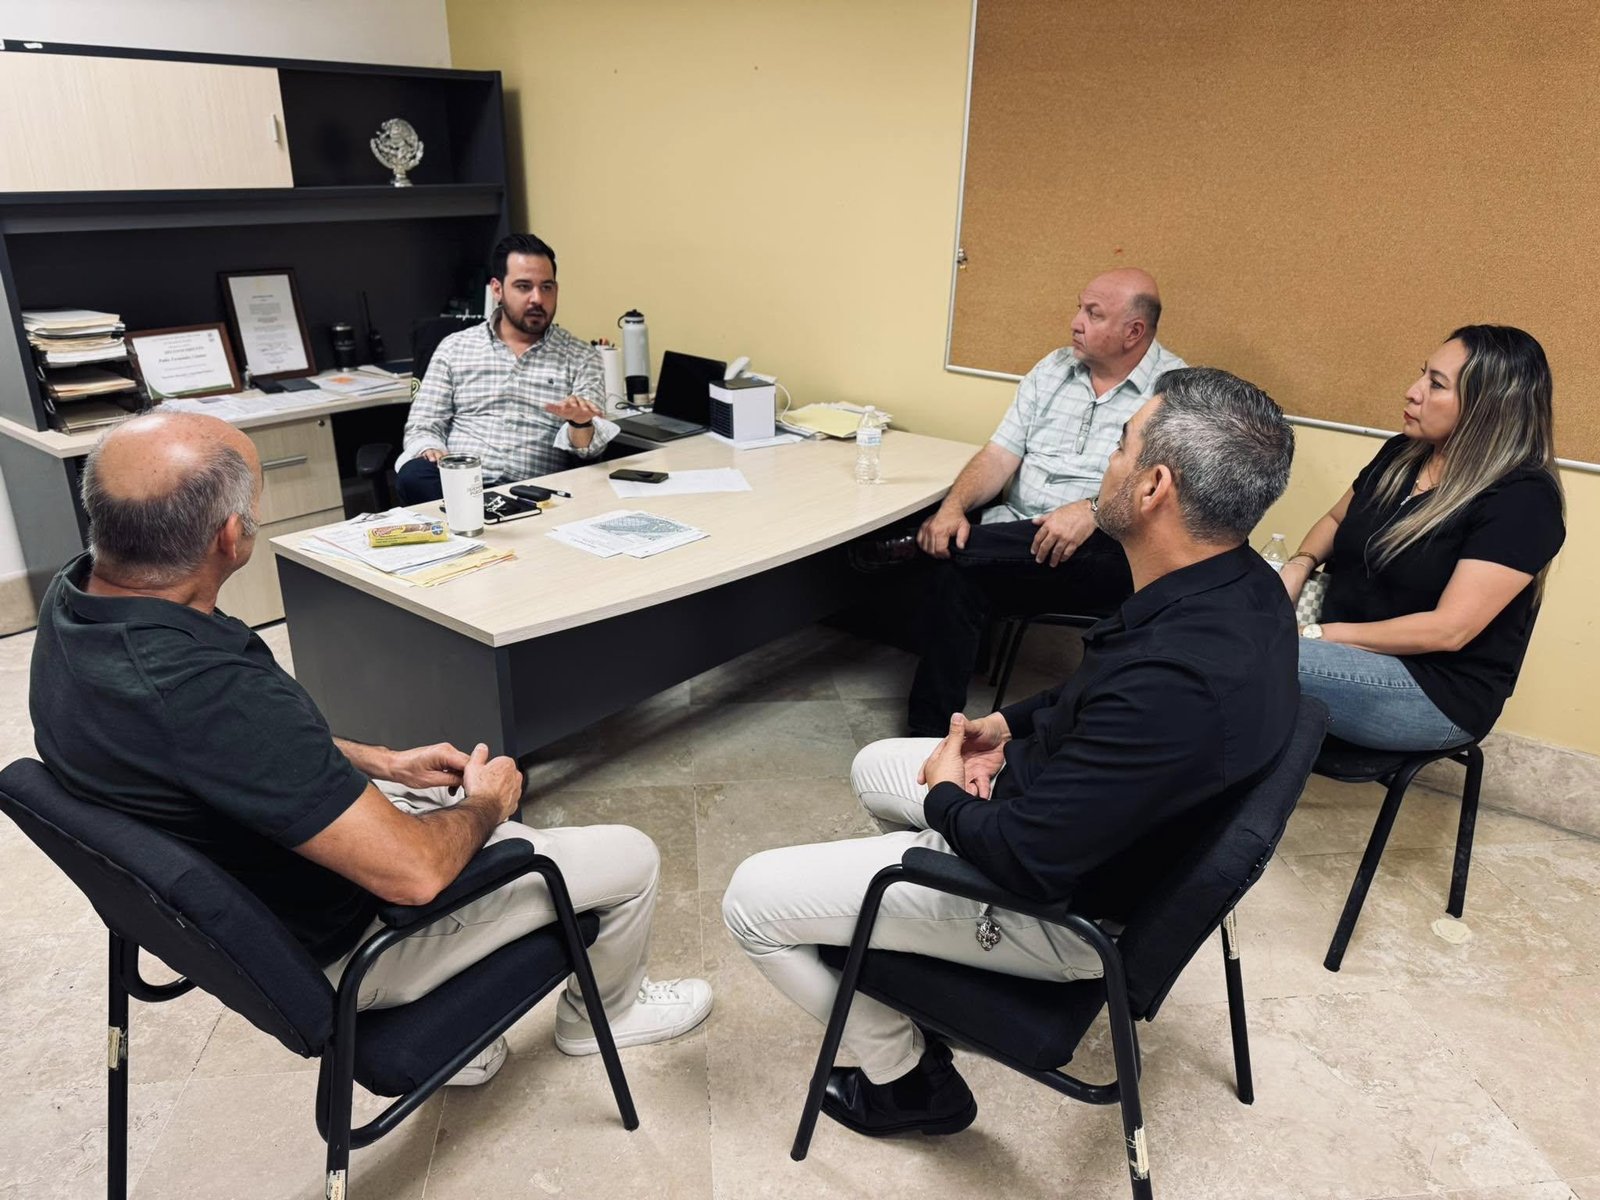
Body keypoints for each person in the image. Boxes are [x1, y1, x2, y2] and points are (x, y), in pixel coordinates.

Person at [30, 412, 711, 1083]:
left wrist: (383, 762)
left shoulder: (80, 602)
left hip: (256, 883)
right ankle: (604, 1017)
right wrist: (487, 804)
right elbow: (414, 875)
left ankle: (470, 1040)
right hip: (348, 945)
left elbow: (230, 749)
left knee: (450, 815)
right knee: (630, 857)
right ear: (231, 538)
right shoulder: (203, 691)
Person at [724, 367, 1297, 1139]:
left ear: (1155, 486)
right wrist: (1007, 729)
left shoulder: (1178, 684)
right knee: (874, 764)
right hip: (1071, 820)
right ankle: (908, 946)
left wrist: (944, 799)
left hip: (1056, 909)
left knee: (751, 901)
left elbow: (1030, 858)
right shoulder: (1240, 587)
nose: (1108, 464)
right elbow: (1096, 699)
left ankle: (907, 1081)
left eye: (1122, 445)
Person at [903, 267, 1186, 735]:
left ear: (1133, 332)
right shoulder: (1053, 368)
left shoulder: (1174, 392)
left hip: (1099, 550)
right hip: (1018, 540)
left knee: (955, 554)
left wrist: (1093, 510)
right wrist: (952, 508)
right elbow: (999, 455)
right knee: (957, 574)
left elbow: (1162, 492)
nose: (1075, 322)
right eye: (1079, 308)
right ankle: (928, 738)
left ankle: (910, 547)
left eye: (1093, 314)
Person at [1280, 324, 1565, 751]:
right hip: (1341, 647)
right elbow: (1337, 520)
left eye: (1436, 384)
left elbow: (1449, 630)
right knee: (1218, 613)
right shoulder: (1402, 453)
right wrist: (1298, 565)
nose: (1412, 392)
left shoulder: (1523, 499)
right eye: (1422, 375)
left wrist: (1319, 634)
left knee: (1250, 653)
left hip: (1433, 690)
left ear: (1487, 407)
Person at [396, 232, 616, 505]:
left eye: (546, 287)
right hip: (459, 486)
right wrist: (431, 449)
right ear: (497, 289)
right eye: (524, 286)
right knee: (414, 475)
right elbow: (423, 425)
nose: (537, 299)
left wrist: (579, 422)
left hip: (533, 493)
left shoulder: (581, 357)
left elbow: (588, 450)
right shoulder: (455, 348)